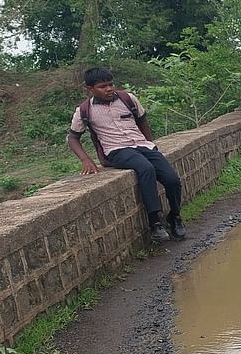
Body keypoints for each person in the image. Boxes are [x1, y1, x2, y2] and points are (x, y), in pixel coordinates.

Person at [67, 67, 185, 242]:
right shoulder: (85, 110)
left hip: (142, 145)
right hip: (116, 150)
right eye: (102, 86)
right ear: (90, 89)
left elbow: (142, 120)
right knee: (145, 169)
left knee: (172, 179)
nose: (108, 89)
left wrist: (150, 143)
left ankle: (174, 216)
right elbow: (73, 137)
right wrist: (86, 160)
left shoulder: (127, 99)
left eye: (110, 84)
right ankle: (155, 222)